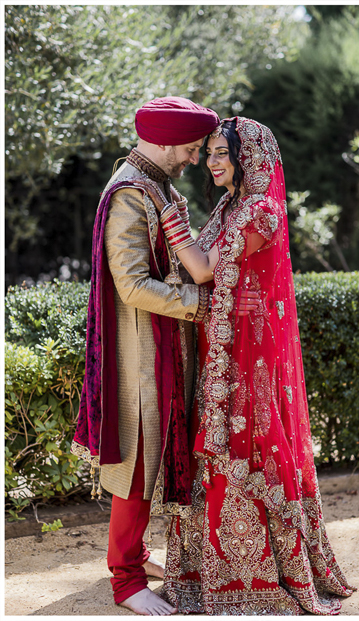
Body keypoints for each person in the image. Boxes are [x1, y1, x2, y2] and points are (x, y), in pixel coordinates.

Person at [140, 117, 355, 614]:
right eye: (210, 153)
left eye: (222, 153)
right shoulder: (230, 205)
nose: (213, 162)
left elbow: (204, 268)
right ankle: (204, 570)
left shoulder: (260, 211)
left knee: (248, 445)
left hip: (248, 355)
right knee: (215, 445)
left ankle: (257, 577)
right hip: (221, 348)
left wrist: (170, 216)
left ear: (248, 156)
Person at [71, 96, 240, 616]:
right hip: (139, 353)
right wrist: (204, 303)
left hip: (160, 348)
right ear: (165, 142)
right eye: (191, 149)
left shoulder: (155, 185)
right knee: (139, 466)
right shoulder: (129, 193)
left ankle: (138, 558)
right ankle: (125, 580)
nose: (196, 159)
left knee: (152, 462)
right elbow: (132, 286)